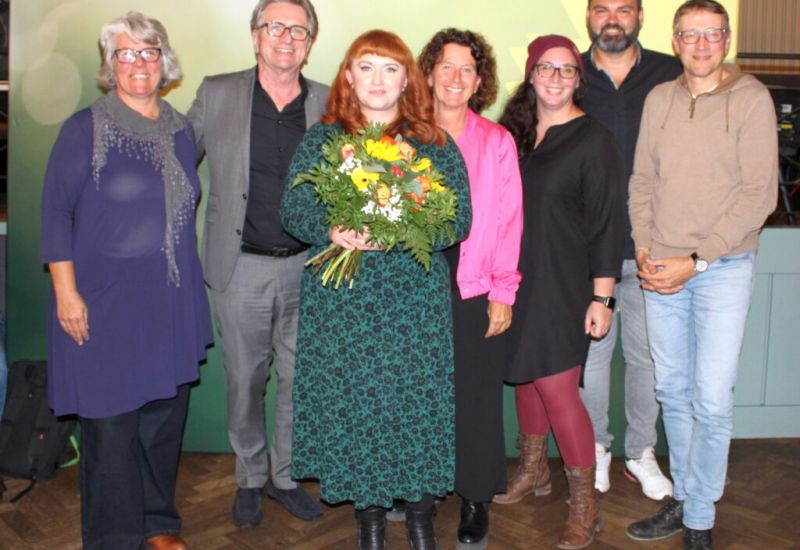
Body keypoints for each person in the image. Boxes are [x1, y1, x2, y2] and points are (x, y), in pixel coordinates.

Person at [280, 29, 472, 550]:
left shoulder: (433, 143)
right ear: (348, 76)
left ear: (407, 79)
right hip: (344, 305)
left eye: (390, 69)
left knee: (414, 406)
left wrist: (401, 228)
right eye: (366, 67)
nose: (378, 80)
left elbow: (458, 220)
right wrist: (332, 229)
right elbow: (293, 208)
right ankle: (369, 523)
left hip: (413, 303)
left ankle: (420, 520)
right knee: (356, 408)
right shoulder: (322, 141)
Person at [40, 11, 212, 550]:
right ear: (109, 65)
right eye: (125, 53)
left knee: (162, 420)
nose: (138, 62)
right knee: (111, 429)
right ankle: (114, 538)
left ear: (164, 61)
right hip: (104, 304)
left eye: (148, 51)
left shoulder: (180, 129)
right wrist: (66, 294)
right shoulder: (84, 129)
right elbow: (54, 213)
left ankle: (157, 522)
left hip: (170, 301)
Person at [625, 1, 778, 548]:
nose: (701, 45)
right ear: (675, 40)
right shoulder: (659, 98)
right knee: (674, 391)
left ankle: (700, 519)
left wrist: (698, 260)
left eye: (712, 34)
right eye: (690, 35)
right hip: (662, 268)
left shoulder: (751, 98)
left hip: (723, 268)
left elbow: (759, 194)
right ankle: (687, 498)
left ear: (727, 39)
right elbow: (642, 181)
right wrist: (644, 247)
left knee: (711, 400)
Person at [186, 0, 327, 527]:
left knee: (298, 380)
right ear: (255, 36)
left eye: (298, 30)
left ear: (309, 43)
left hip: (310, 268)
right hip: (239, 265)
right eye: (275, 26)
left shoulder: (330, 102)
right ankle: (249, 477)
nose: (286, 37)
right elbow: (175, 161)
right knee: (245, 381)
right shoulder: (217, 92)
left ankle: (284, 477)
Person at [493, 35, 626, 550]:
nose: (555, 77)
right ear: (531, 74)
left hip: (565, 283)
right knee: (525, 375)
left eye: (567, 69)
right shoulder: (515, 134)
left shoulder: (594, 139)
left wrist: (603, 297)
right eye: (546, 68)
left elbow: (609, 224)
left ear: (578, 79)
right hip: (513, 278)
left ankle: (585, 504)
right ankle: (533, 471)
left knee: (556, 387)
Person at [418, 28, 523, 547]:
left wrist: (503, 291)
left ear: (480, 81)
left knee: (477, 395)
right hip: (415, 282)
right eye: (447, 66)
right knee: (421, 389)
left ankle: (477, 497)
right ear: (430, 74)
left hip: (475, 282)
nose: (456, 77)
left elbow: (508, 221)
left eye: (467, 69)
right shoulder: (404, 137)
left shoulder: (497, 141)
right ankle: (421, 488)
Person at [578, 0, 681, 499]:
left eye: (624, 8)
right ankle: (596, 445)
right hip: (586, 245)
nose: (612, 18)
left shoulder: (672, 73)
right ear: (588, 16)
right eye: (602, 8)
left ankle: (641, 452)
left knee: (646, 357)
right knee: (592, 356)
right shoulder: (567, 73)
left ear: (640, 16)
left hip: (652, 244)